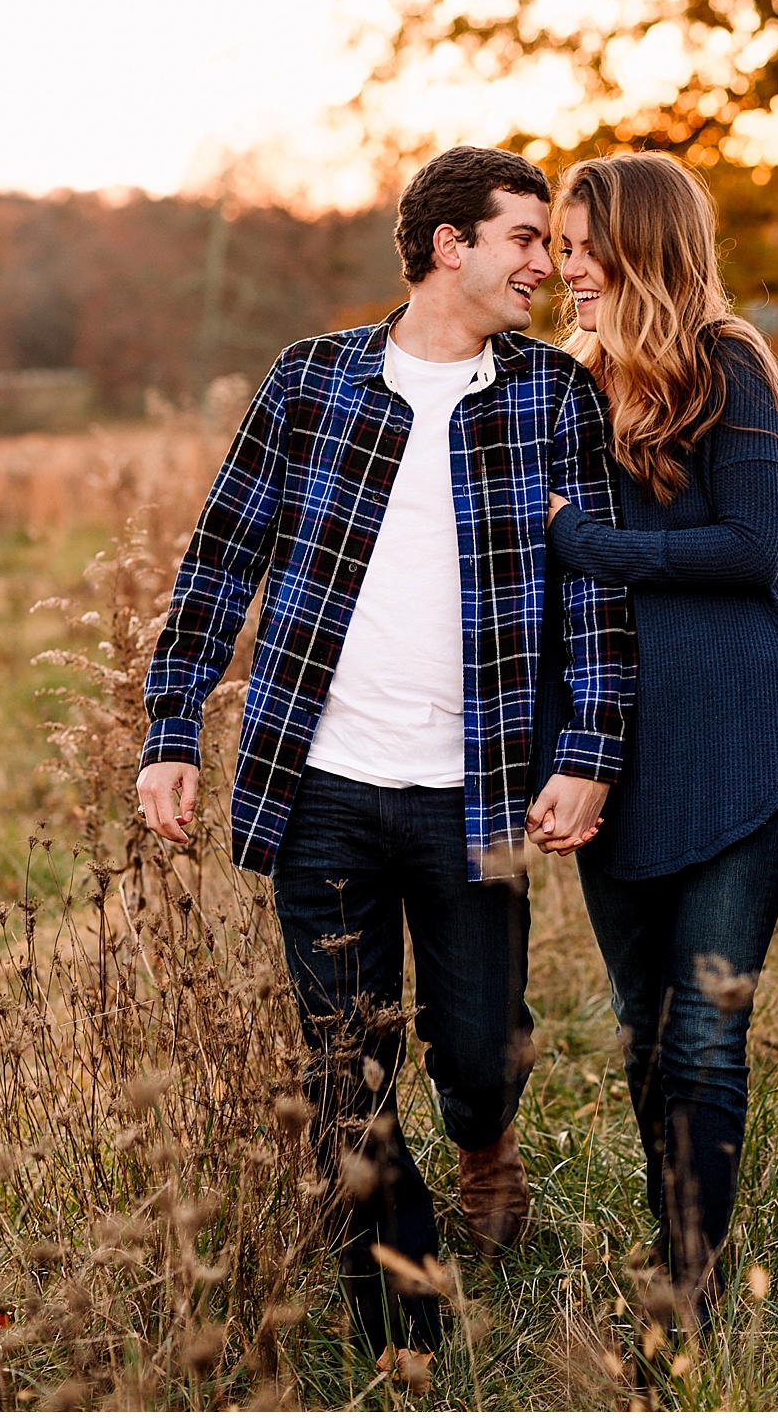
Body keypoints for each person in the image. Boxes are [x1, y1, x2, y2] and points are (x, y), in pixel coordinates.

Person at [135, 145, 634, 1356]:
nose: (547, 266)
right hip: (324, 787)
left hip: (481, 791)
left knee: (476, 1044)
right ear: (448, 245)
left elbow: (597, 599)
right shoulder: (312, 381)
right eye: (525, 238)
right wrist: (172, 727)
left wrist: (590, 747)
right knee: (343, 1066)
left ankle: (485, 1141)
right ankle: (406, 1328)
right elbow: (222, 554)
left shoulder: (554, 397)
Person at [538, 149, 778, 1326]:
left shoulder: (727, 363)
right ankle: (678, 1245)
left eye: (582, 247)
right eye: (560, 249)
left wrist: (595, 543)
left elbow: (753, 549)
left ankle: (685, 1300)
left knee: (703, 1039)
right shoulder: (572, 383)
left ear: (640, 245)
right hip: (628, 746)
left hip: (749, 730)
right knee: (644, 1035)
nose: (564, 268)